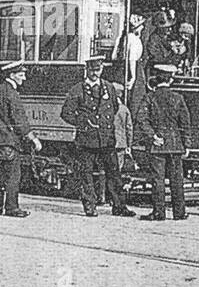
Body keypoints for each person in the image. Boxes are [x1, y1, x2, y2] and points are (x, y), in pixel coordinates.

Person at [61, 55, 134, 217]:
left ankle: (119, 207)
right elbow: (65, 113)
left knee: (114, 174)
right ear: (86, 70)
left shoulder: (109, 87)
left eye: (98, 70)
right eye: (92, 70)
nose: (95, 74)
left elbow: (114, 108)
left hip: (107, 139)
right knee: (86, 174)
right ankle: (90, 206)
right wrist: (83, 123)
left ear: (102, 69)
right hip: (86, 140)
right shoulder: (77, 90)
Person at [0, 60, 40, 218]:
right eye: (21, 75)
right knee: (13, 176)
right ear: (12, 75)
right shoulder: (12, 94)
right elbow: (19, 120)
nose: (24, 78)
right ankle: (12, 208)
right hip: (9, 142)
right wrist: (33, 139)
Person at [136, 64, 192, 221]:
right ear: (171, 79)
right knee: (177, 180)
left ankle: (158, 212)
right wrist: (186, 144)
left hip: (157, 145)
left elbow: (141, 119)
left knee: (158, 180)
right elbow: (185, 123)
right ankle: (179, 213)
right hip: (175, 145)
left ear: (156, 79)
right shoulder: (178, 98)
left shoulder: (150, 97)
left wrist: (152, 135)